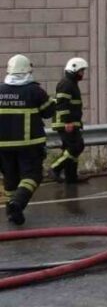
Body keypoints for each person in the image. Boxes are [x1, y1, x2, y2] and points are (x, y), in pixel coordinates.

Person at [0, 54, 54, 225]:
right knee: (32, 175)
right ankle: (17, 203)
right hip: (29, 145)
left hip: (3, 146)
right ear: (28, 70)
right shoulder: (34, 90)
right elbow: (48, 112)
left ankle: (11, 211)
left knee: (10, 178)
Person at [50, 57, 88, 184]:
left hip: (70, 122)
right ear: (74, 69)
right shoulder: (66, 84)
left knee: (71, 149)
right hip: (65, 123)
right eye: (81, 71)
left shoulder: (71, 83)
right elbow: (62, 104)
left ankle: (71, 177)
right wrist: (67, 122)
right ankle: (55, 168)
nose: (82, 74)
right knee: (76, 146)